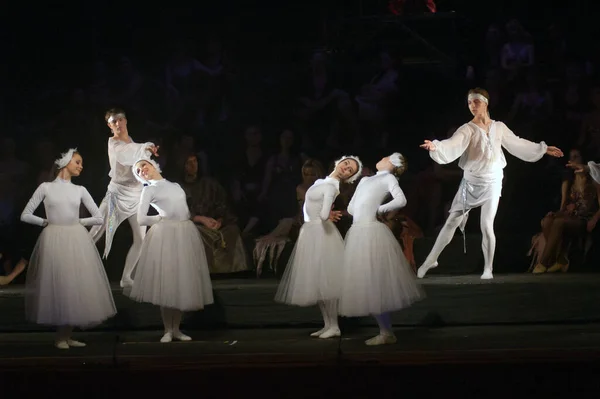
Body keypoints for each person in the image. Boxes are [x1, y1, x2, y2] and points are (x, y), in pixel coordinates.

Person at [417, 88, 564, 280]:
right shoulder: (467, 129)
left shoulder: (499, 127)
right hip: (471, 182)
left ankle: (488, 268)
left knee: (487, 225)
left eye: (476, 102)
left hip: (493, 181)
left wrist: (542, 149)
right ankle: (431, 260)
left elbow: (517, 143)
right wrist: (436, 146)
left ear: (485, 103)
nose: (472, 106)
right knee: (452, 220)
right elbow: (452, 144)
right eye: (469, 103)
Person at [20, 149, 116, 349]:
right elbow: (26, 214)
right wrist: (46, 221)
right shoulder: (46, 188)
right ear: (65, 162)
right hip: (54, 237)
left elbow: (99, 217)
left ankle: (68, 334)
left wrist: (78, 221)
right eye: (78, 162)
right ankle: (60, 337)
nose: (81, 166)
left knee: (74, 284)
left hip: (75, 238)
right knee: (60, 282)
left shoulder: (79, 190)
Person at [339, 153, 424, 345]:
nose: (382, 157)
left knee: (374, 282)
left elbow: (401, 200)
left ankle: (386, 332)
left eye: (387, 157)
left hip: (370, 232)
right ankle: (385, 331)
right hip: (358, 232)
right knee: (366, 282)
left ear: (392, 164)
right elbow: (352, 208)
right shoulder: (366, 180)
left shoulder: (388, 177)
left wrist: (379, 209)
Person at [275, 155, 363, 339]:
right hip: (312, 231)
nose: (346, 168)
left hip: (322, 233)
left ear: (349, 176)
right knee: (318, 282)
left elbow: (323, 215)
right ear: (339, 162)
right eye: (346, 163)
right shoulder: (322, 182)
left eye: (350, 170)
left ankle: (334, 326)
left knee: (327, 282)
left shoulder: (332, 186)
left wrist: (326, 214)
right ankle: (327, 324)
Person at [129, 158, 214, 343]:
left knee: (181, 281)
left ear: (152, 165)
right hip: (167, 234)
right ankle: (167, 329)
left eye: (144, 165)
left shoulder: (175, 185)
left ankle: (177, 329)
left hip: (184, 232)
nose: (142, 169)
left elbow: (183, 210)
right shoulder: (149, 189)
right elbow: (141, 218)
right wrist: (160, 219)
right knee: (168, 281)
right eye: (138, 171)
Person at [89, 108, 159, 288]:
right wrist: (146, 146)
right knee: (95, 234)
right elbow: (129, 154)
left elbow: (142, 161)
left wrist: (148, 150)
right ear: (109, 126)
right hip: (117, 196)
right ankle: (73, 270)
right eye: (114, 122)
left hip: (136, 197)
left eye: (120, 120)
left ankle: (126, 277)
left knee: (141, 239)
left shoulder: (134, 143)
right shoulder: (113, 143)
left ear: (126, 121)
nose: (118, 124)